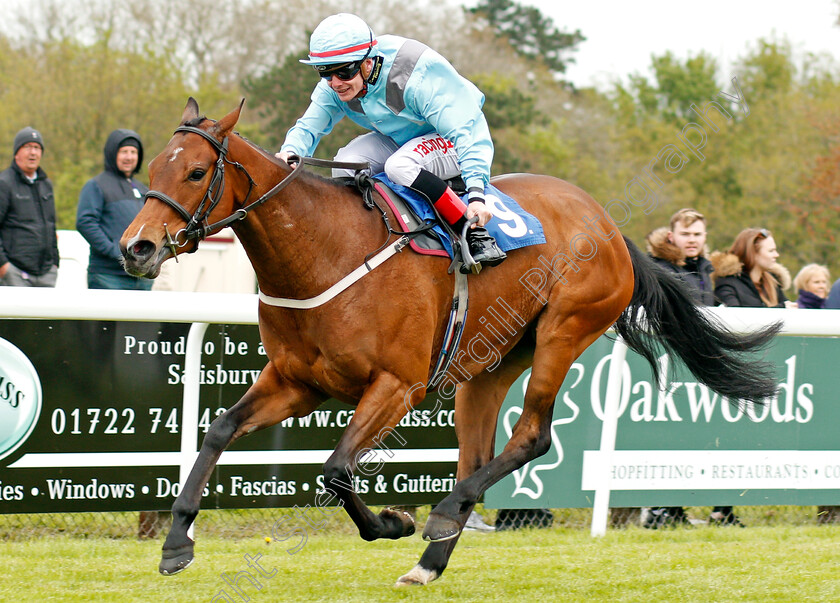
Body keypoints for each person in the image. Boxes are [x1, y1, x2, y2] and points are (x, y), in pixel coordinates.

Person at [274, 13, 506, 272]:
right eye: (325, 72)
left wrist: (477, 194)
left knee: (400, 165)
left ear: (368, 61)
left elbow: (468, 133)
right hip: (404, 139)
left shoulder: (415, 74)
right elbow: (309, 126)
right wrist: (289, 153)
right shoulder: (334, 86)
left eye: (344, 71)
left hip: (453, 138)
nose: (335, 83)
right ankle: (360, 240)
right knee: (345, 163)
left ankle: (472, 234)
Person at [710, 227, 795, 526]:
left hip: (771, 366)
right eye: (771, 250)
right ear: (753, 252)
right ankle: (720, 509)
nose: (776, 255)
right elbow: (734, 317)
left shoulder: (772, 284)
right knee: (732, 438)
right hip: (739, 367)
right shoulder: (727, 282)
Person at [642, 208, 715, 528]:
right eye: (686, 234)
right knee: (661, 437)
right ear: (671, 235)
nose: (692, 241)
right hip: (661, 361)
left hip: (693, 361)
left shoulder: (705, 269)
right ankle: (656, 509)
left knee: (688, 437)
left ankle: (674, 509)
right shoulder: (656, 267)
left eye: (698, 235)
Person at [76, 129, 152, 290]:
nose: (129, 157)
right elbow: (85, 222)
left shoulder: (144, 189)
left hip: (142, 276)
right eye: (124, 151)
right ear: (112, 154)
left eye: (133, 152)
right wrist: (114, 251)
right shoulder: (96, 185)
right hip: (108, 276)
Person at [0, 127, 59, 287]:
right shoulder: (4, 183)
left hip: (47, 273)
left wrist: (55, 263)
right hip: (15, 273)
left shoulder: (46, 184)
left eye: (37, 148)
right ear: (16, 152)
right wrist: (3, 265)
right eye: (27, 147)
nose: (32, 153)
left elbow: (51, 225)